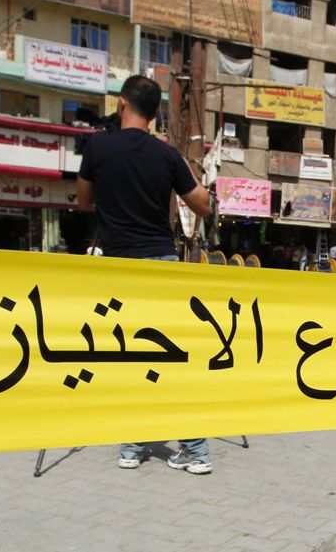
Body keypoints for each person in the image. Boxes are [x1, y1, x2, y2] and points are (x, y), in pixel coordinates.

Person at [77, 75, 214, 475]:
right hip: (161, 266)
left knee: (128, 356)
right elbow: (202, 205)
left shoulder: (97, 147)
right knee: (172, 356)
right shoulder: (167, 155)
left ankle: (132, 447)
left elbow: (84, 201)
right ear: (155, 114)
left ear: (122, 103)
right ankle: (195, 450)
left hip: (120, 267)